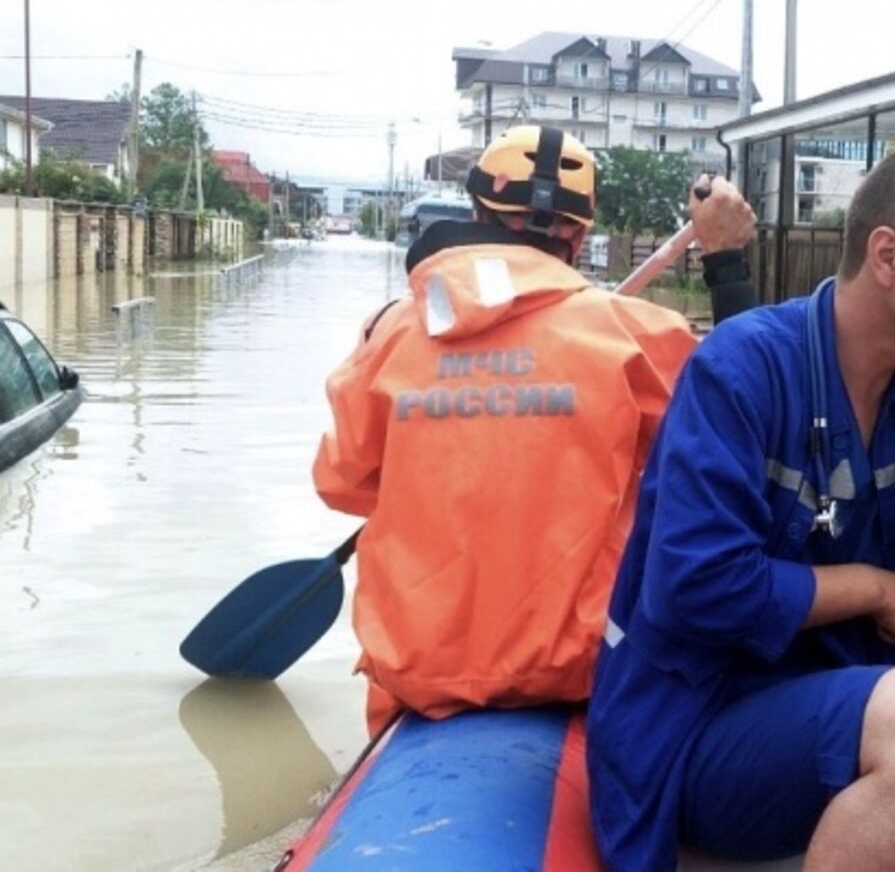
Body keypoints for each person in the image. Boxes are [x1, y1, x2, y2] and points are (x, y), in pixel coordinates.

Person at [588, 144, 895, 871]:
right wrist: (874, 588)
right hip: (709, 726)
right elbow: (695, 586)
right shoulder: (742, 368)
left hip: (871, 683)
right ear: (887, 256)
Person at [312, 124, 758, 733]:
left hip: (416, 676)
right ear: (579, 234)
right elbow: (749, 417)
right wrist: (727, 263)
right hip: (579, 673)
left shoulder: (387, 333)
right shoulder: (635, 335)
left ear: (475, 210)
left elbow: (342, 485)